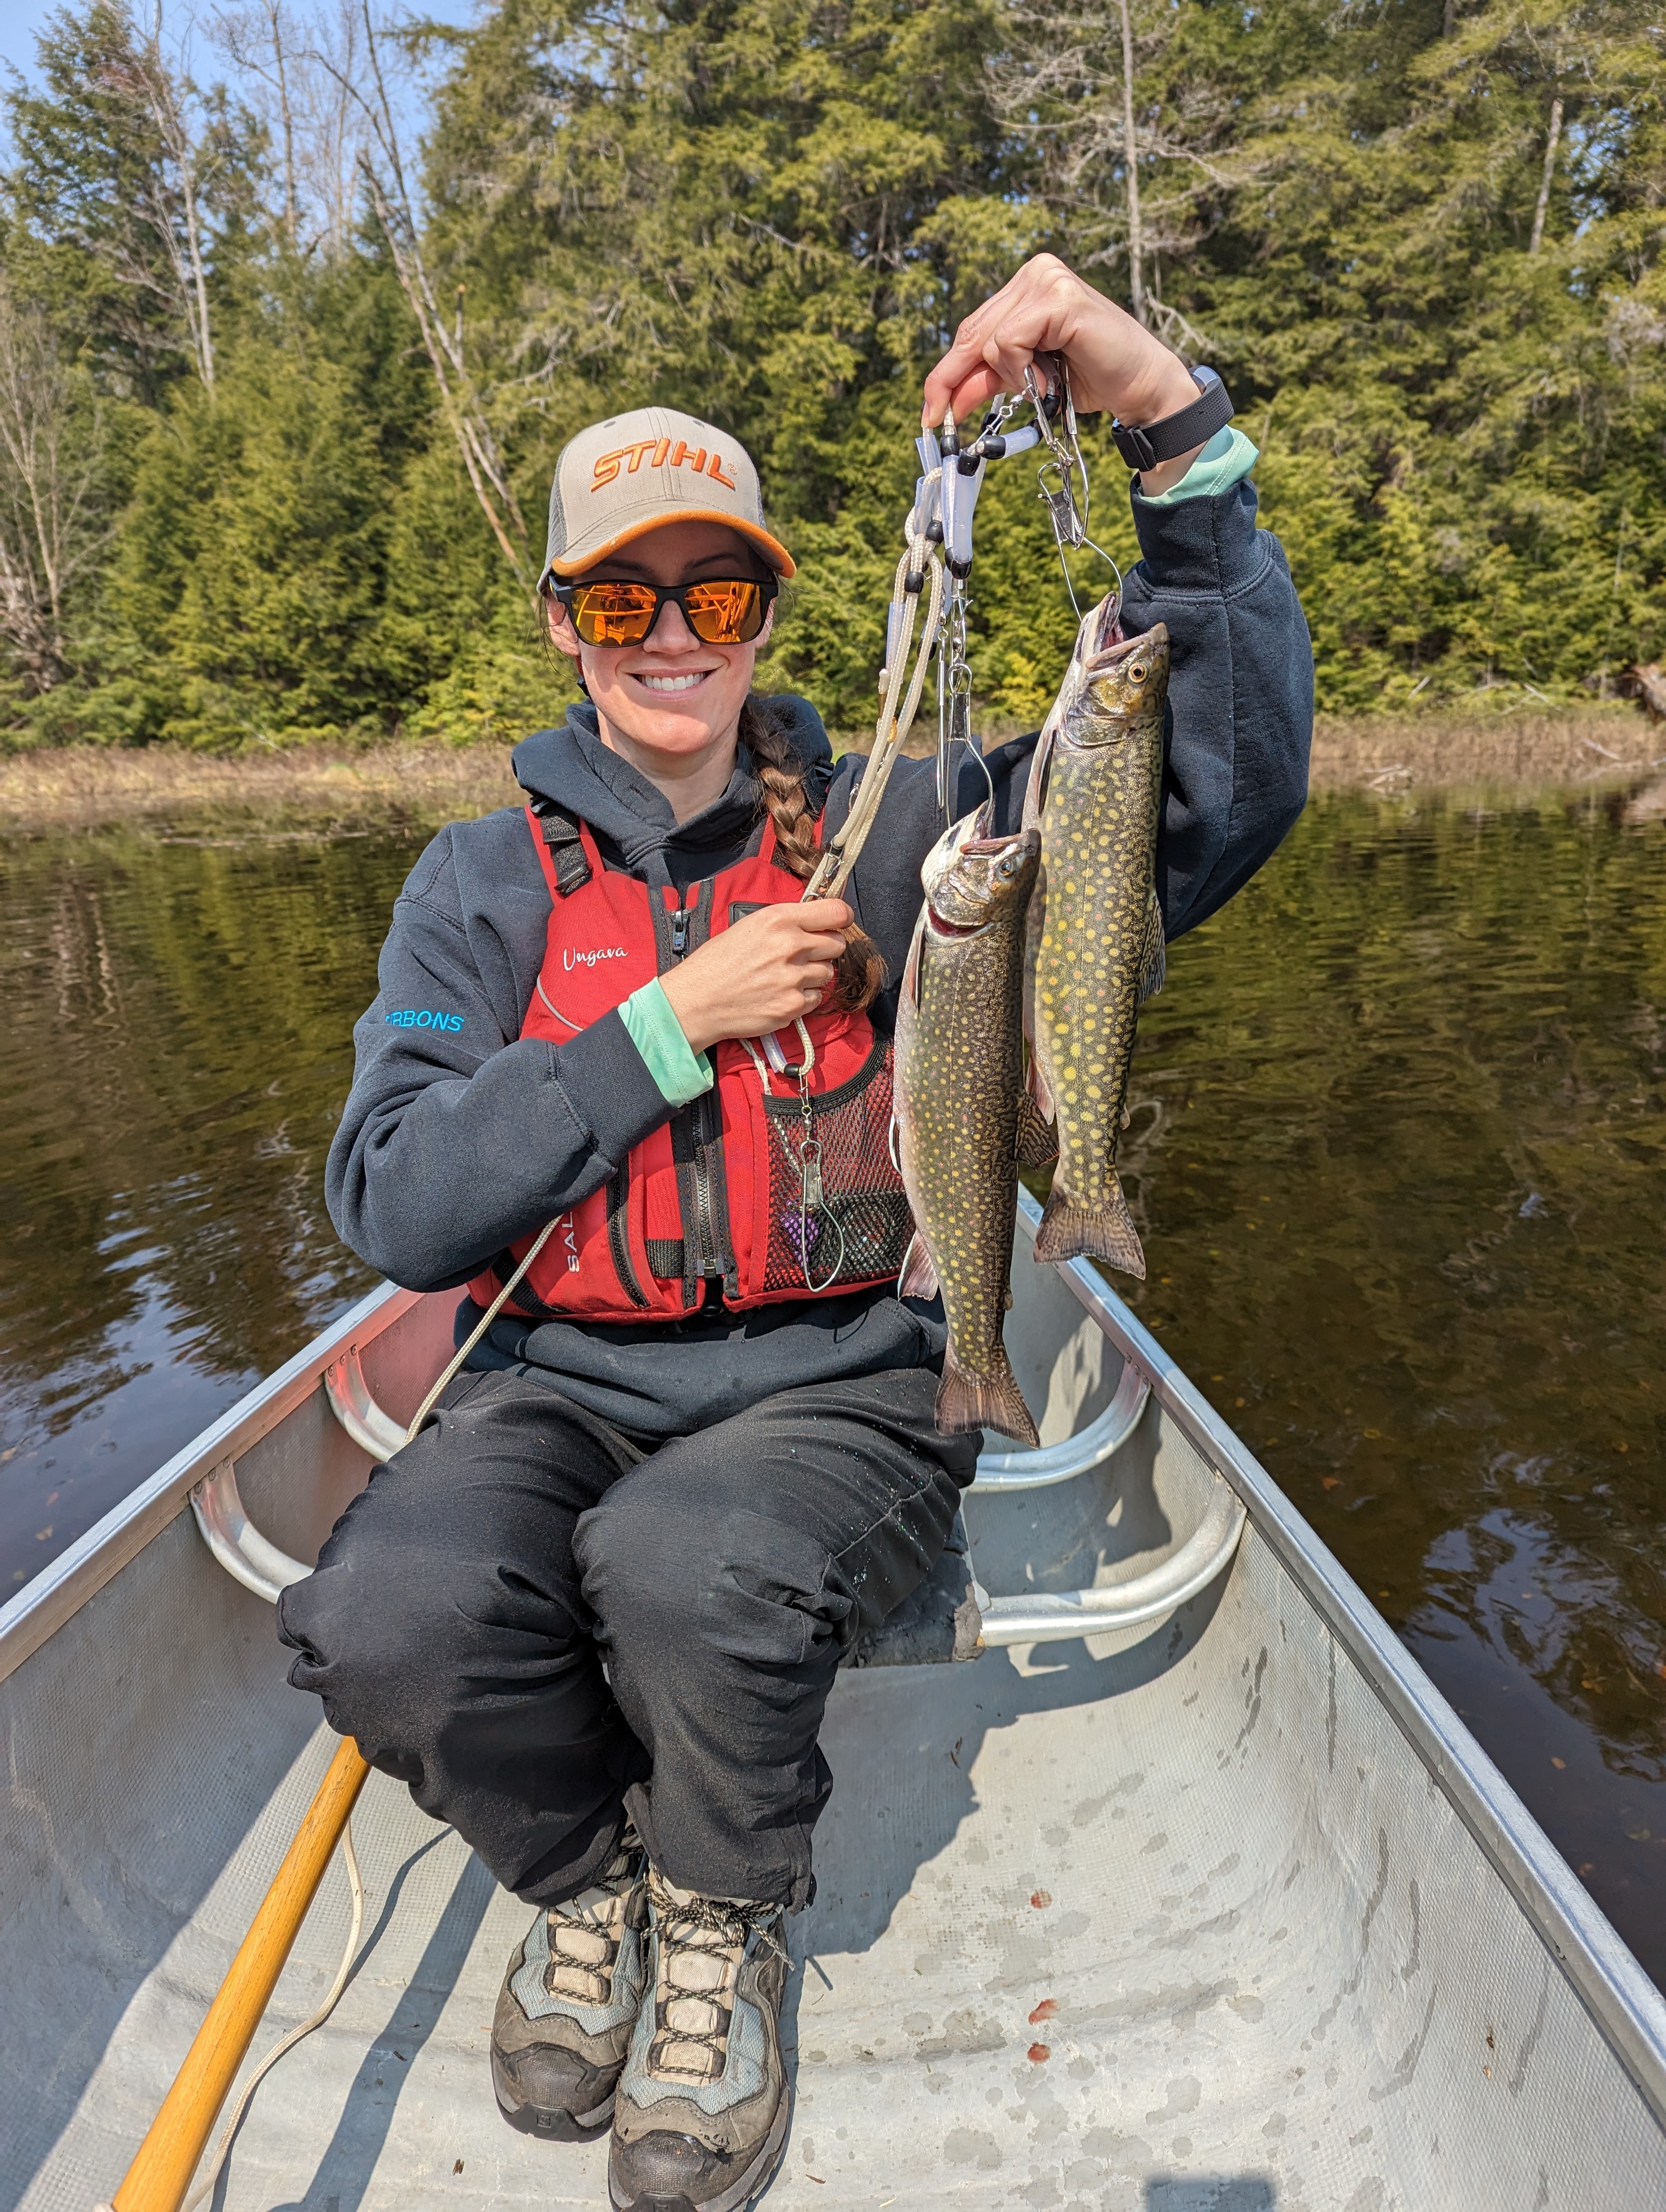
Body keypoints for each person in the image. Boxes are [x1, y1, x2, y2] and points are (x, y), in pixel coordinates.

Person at [279, 254, 1313, 2212]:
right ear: (568, 622)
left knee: (689, 1566)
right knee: (378, 1623)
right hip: (554, 1383)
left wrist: (1167, 419)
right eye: (622, 598)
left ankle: (727, 1914)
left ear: (764, 614)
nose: (672, 638)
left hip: (848, 1377)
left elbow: (1210, 792)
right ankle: (597, 1882)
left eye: (717, 594)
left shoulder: (921, 824)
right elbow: (394, 1200)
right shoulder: (478, 888)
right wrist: (668, 1026)